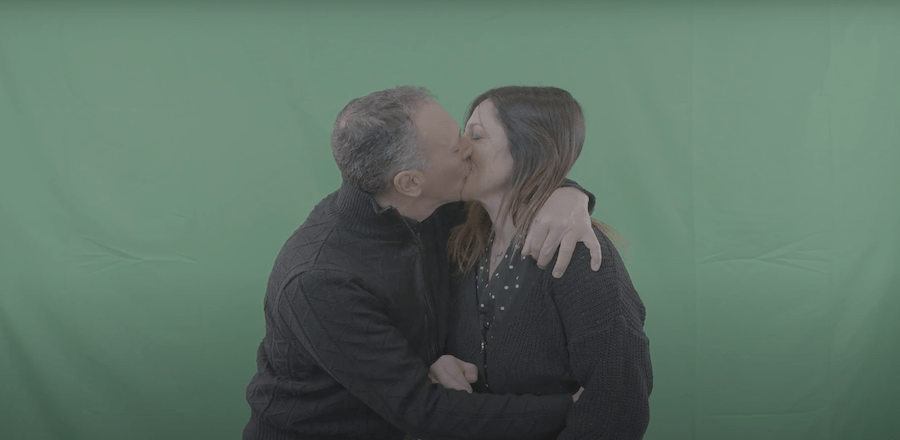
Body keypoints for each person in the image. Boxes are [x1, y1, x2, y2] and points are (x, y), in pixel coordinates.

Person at [242, 86, 604, 440]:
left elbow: (512, 182)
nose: (469, 147)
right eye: (456, 147)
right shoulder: (320, 280)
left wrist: (568, 195)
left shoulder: (426, 205)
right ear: (410, 182)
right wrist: (573, 407)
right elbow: (423, 411)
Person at [441, 86, 653, 439]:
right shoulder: (463, 239)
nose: (461, 147)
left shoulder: (578, 254)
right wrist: (435, 363)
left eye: (476, 136)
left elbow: (619, 403)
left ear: (530, 149)